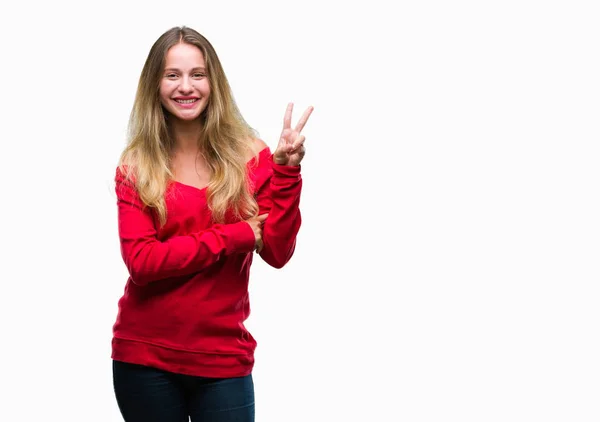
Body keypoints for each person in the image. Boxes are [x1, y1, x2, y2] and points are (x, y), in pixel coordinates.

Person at [110, 26, 313, 422]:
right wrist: (238, 233)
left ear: (212, 82)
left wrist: (287, 173)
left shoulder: (251, 156)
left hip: (224, 359)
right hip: (144, 357)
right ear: (155, 84)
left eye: (197, 74)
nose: (186, 86)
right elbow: (143, 263)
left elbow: (276, 251)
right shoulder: (136, 166)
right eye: (173, 75)